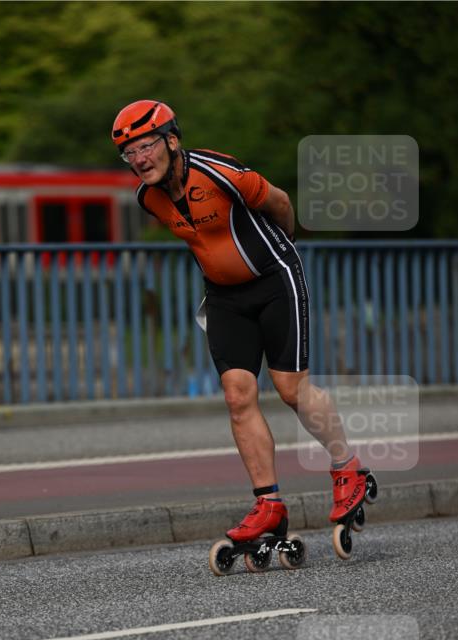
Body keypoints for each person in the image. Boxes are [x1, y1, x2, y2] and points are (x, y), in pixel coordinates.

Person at [111, 99, 369, 545]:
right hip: (225, 297)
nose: (139, 160)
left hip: (274, 280)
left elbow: (281, 203)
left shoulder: (219, 172)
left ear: (172, 140)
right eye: (129, 153)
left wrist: (282, 247)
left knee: (291, 389)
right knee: (237, 396)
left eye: (146, 146)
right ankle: (268, 503)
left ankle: (348, 469)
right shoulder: (148, 198)